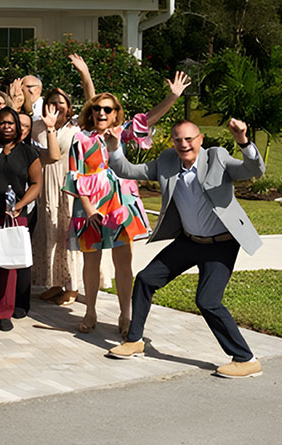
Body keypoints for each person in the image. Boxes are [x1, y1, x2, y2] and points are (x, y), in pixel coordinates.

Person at [106, 118, 265, 378]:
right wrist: (113, 147)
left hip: (221, 244)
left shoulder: (217, 157)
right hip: (190, 241)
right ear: (172, 142)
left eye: (189, 138)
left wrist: (243, 141)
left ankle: (246, 358)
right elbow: (127, 170)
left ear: (200, 139)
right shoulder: (167, 161)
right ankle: (134, 340)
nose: (184, 144)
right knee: (146, 279)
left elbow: (253, 169)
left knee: (207, 300)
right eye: (178, 139)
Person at [64, 73, 188, 337]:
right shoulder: (80, 138)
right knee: (91, 263)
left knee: (124, 263)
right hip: (90, 206)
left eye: (107, 109)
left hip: (119, 205)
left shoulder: (122, 133)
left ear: (116, 113)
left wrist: (173, 97)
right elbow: (75, 175)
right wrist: (88, 210)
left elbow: (148, 120)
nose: (101, 112)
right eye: (96, 108)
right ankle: (90, 312)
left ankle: (125, 314)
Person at [31, 55, 95, 307]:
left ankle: (73, 286)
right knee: (49, 232)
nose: (57, 106)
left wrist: (85, 74)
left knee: (68, 234)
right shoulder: (39, 127)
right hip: (46, 186)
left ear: (69, 107)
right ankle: (54, 282)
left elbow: (93, 103)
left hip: (69, 187)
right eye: (51, 102)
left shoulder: (76, 128)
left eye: (62, 103)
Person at [0, 107, 41, 332]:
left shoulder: (28, 153)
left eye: (11, 123)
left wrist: (20, 205)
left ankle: (4, 312)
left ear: (18, 127)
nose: (7, 126)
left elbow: (36, 184)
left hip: (14, 214)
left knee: (8, 264)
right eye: (2, 122)